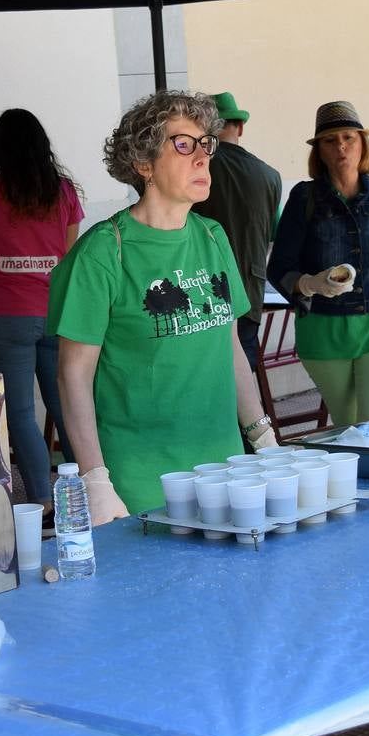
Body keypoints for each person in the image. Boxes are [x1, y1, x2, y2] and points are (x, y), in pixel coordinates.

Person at [49, 90, 278, 518]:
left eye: (205, 144)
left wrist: (262, 437)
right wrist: (94, 477)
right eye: (183, 144)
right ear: (143, 163)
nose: (202, 157)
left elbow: (230, 348)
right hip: (140, 482)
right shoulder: (104, 251)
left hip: (224, 471)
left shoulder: (213, 237)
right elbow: (73, 374)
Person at [0, 108, 83, 513]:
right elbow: (67, 256)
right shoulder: (63, 191)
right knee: (66, 404)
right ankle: (87, 487)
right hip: (58, 312)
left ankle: (43, 499)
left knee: (21, 413)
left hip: (7, 313)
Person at [268, 101, 369, 425]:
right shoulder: (304, 198)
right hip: (324, 329)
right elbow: (279, 267)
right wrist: (311, 284)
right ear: (320, 152)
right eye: (330, 140)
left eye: (348, 138)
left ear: (362, 144)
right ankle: (353, 477)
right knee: (347, 424)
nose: (341, 146)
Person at [191, 92, 282, 370]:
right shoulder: (269, 175)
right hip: (249, 291)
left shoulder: (193, 167)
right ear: (239, 126)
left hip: (198, 292)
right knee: (242, 381)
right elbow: (271, 237)